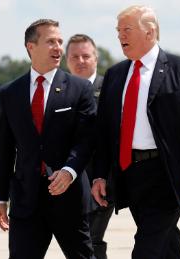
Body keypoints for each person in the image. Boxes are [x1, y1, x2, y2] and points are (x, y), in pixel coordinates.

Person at [91, 5, 180, 259]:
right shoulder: (115, 75)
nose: (121, 36)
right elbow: (104, 132)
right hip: (130, 173)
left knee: (146, 249)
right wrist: (100, 175)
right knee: (166, 246)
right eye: (118, 31)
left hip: (168, 174)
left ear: (150, 32)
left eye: (127, 29)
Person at [0, 19, 97, 259]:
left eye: (60, 42)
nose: (58, 47)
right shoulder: (10, 92)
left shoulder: (79, 88)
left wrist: (69, 170)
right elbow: (4, 149)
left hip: (67, 197)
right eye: (51, 41)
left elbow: (87, 139)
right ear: (31, 46)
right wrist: (1, 198)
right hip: (26, 201)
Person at [66, 34, 113, 259]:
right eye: (75, 56)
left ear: (96, 58)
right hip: (69, 180)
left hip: (102, 178)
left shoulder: (112, 89)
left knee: (91, 238)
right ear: (67, 60)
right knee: (79, 240)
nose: (81, 61)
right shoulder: (59, 90)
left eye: (86, 55)